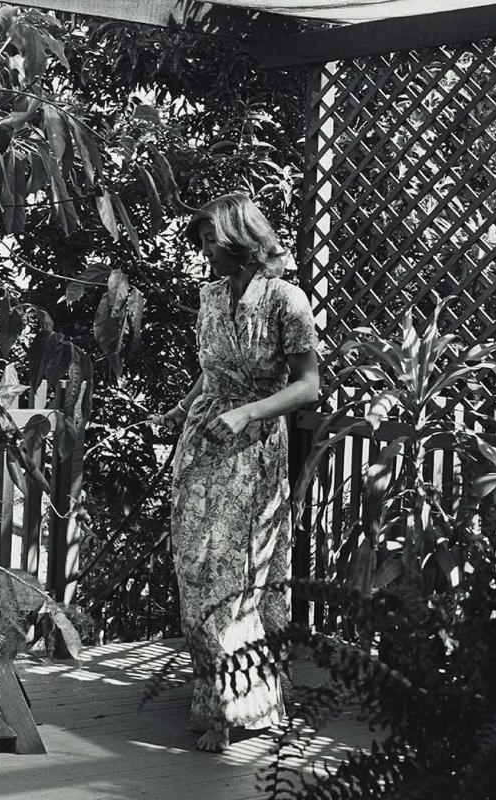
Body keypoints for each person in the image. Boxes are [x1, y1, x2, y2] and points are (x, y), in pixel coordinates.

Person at [154, 193, 320, 752]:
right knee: (195, 569)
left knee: (235, 571)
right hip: (201, 444)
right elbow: (209, 373)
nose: (204, 255)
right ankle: (213, 695)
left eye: (209, 243)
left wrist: (248, 411)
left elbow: (308, 386)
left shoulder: (286, 300)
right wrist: (180, 411)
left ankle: (236, 706)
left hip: (252, 450)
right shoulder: (210, 297)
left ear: (239, 241)